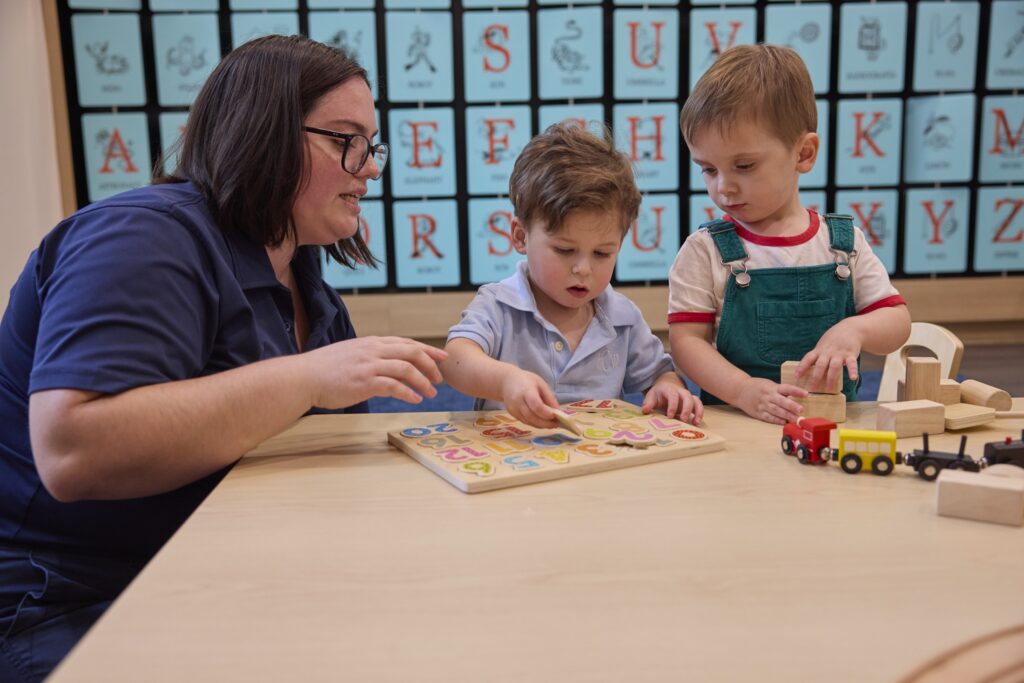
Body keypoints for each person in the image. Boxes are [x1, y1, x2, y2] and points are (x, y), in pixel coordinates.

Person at [0, 36, 446, 681]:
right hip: (64, 594)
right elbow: (73, 450)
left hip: (207, 573)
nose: (370, 168)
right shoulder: (141, 234)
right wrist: (305, 377)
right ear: (261, 131)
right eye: (345, 139)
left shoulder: (302, 272)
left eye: (370, 145)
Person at [668, 44, 911, 425]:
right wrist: (742, 390)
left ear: (803, 154)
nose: (723, 188)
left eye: (744, 165)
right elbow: (686, 343)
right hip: (736, 425)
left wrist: (856, 329)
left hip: (830, 427)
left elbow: (897, 323)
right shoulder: (704, 251)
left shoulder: (842, 245)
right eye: (708, 170)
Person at [442, 123, 702, 429]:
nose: (584, 269)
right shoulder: (498, 305)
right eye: (565, 250)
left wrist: (667, 387)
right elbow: (454, 360)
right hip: (512, 462)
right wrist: (505, 381)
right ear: (520, 236)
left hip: (595, 460)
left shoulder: (622, 317)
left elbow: (659, 372)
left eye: (602, 254)